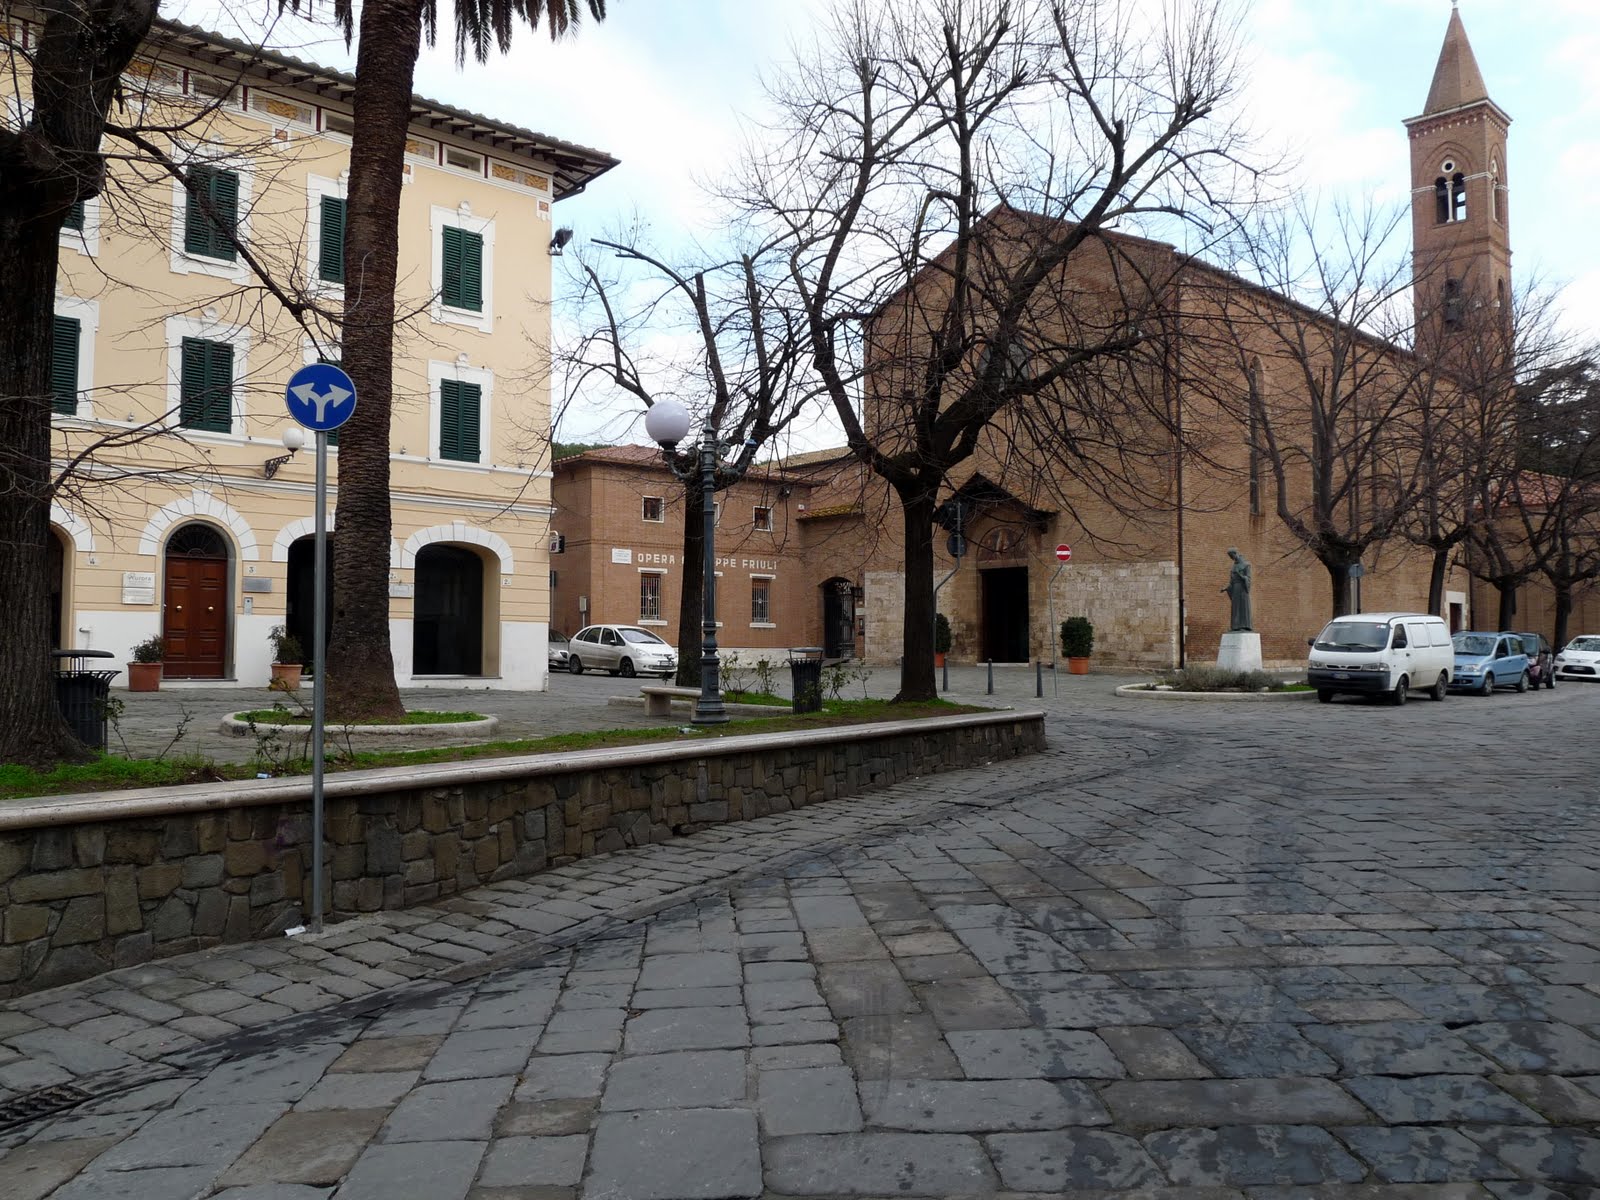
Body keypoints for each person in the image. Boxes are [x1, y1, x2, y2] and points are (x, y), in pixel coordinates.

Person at [1221, 548, 1252, 632]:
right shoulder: (1233, 567)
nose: (1232, 558)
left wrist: (1242, 576)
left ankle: (1244, 625)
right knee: (1235, 607)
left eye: (1232, 556)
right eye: (1230, 557)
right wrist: (1226, 588)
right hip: (1235, 589)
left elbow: (1248, 578)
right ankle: (1235, 626)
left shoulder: (1246, 565)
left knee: (1242, 607)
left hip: (1242, 589)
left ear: (1236, 553)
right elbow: (1231, 581)